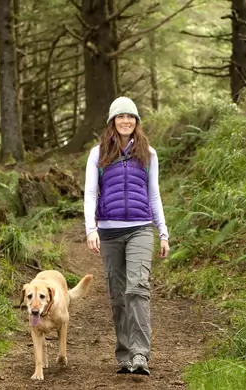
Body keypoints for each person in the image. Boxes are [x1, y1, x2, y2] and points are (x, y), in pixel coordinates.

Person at [83, 96, 170, 376]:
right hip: (109, 232)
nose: (125, 121)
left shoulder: (149, 154)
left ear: (136, 122)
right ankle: (124, 355)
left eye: (130, 117)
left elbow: (154, 195)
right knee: (118, 296)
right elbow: (89, 193)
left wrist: (163, 231)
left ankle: (140, 354)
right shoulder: (97, 154)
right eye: (120, 117)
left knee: (137, 288)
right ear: (112, 121)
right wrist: (90, 228)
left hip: (140, 229)